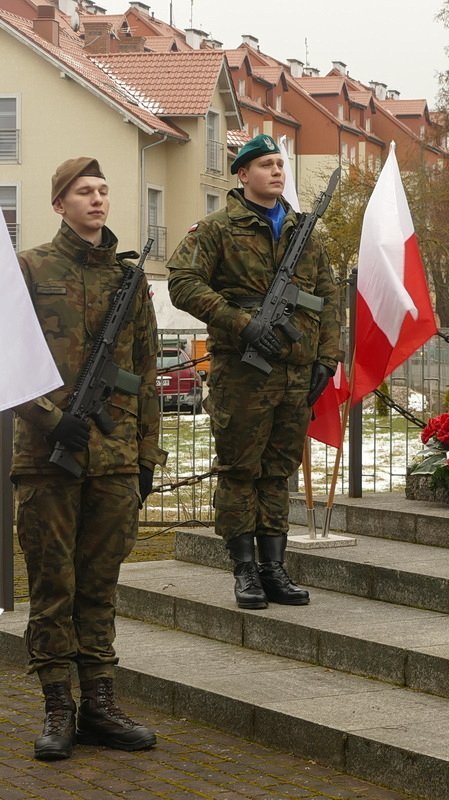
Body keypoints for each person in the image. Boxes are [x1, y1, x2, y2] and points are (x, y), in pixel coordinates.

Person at [13, 157, 165, 760]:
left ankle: (99, 702)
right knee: (54, 586)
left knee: (100, 587)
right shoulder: (28, 270)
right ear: (59, 204)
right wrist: (55, 420)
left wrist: (146, 455)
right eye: (84, 191)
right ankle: (58, 706)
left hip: (116, 458)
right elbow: (7, 364)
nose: (98, 200)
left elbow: (147, 374)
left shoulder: (129, 281)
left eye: (103, 191)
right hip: (47, 458)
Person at [167, 134, 342, 610]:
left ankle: (274, 568)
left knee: (277, 471)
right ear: (243, 175)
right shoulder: (218, 229)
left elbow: (327, 299)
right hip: (244, 373)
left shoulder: (303, 233)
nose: (276, 172)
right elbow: (182, 283)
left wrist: (327, 358)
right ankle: (244, 570)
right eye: (265, 165)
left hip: (295, 372)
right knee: (241, 471)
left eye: (279, 164)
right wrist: (241, 324)